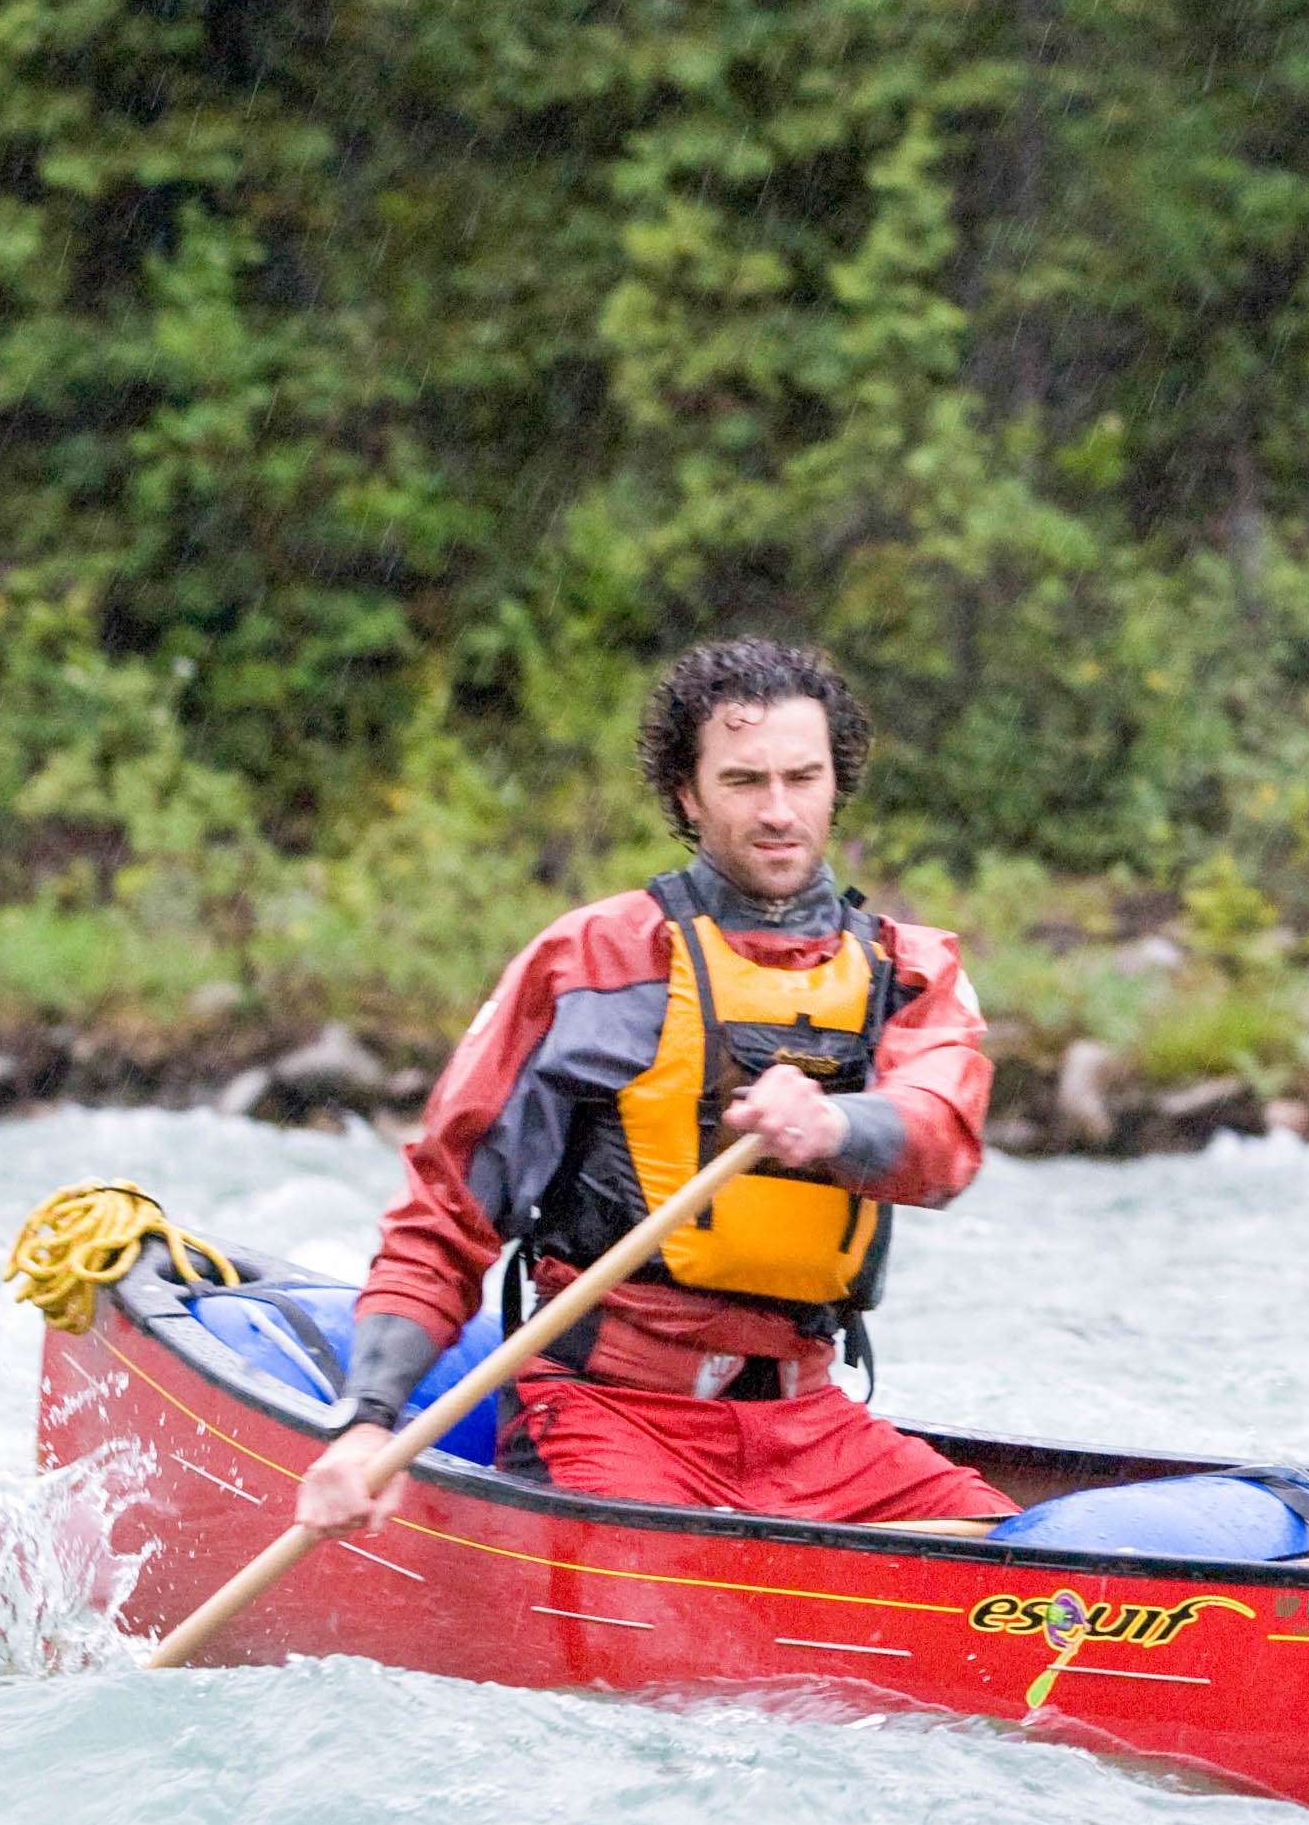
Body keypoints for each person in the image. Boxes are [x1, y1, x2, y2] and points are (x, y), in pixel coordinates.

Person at [296, 639, 1015, 1534]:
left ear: (837, 787)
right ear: (688, 796)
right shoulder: (593, 961)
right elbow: (446, 1214)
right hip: (609, 1409)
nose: (779, 811)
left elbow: (942, 1142)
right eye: (744, 781)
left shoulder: (909, 971)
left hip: (807, 1422)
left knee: (1006, 1558)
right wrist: (368, 1422)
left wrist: (833, 1126)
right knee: (650, 1584)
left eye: (803, 778)